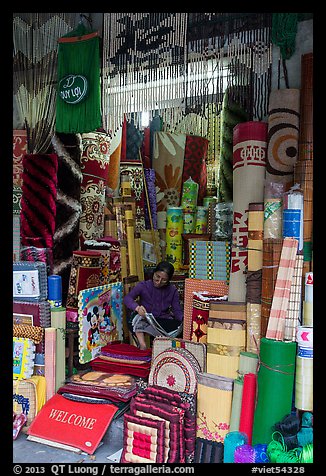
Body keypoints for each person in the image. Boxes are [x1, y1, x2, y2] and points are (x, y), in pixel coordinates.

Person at [123, 261, 183, 349]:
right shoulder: (144, 285)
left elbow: (177, 311)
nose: (159, 282)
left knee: (179, 327)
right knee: (136, 320)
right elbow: (127, 298)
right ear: (154, 273)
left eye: (164, 280)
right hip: (146, 318)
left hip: (162, 320)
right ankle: (142, 346)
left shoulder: (172, 290)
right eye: (157, 277)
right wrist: (137, 308)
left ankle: (163, 350)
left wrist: (184, 321)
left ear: (168, 280)